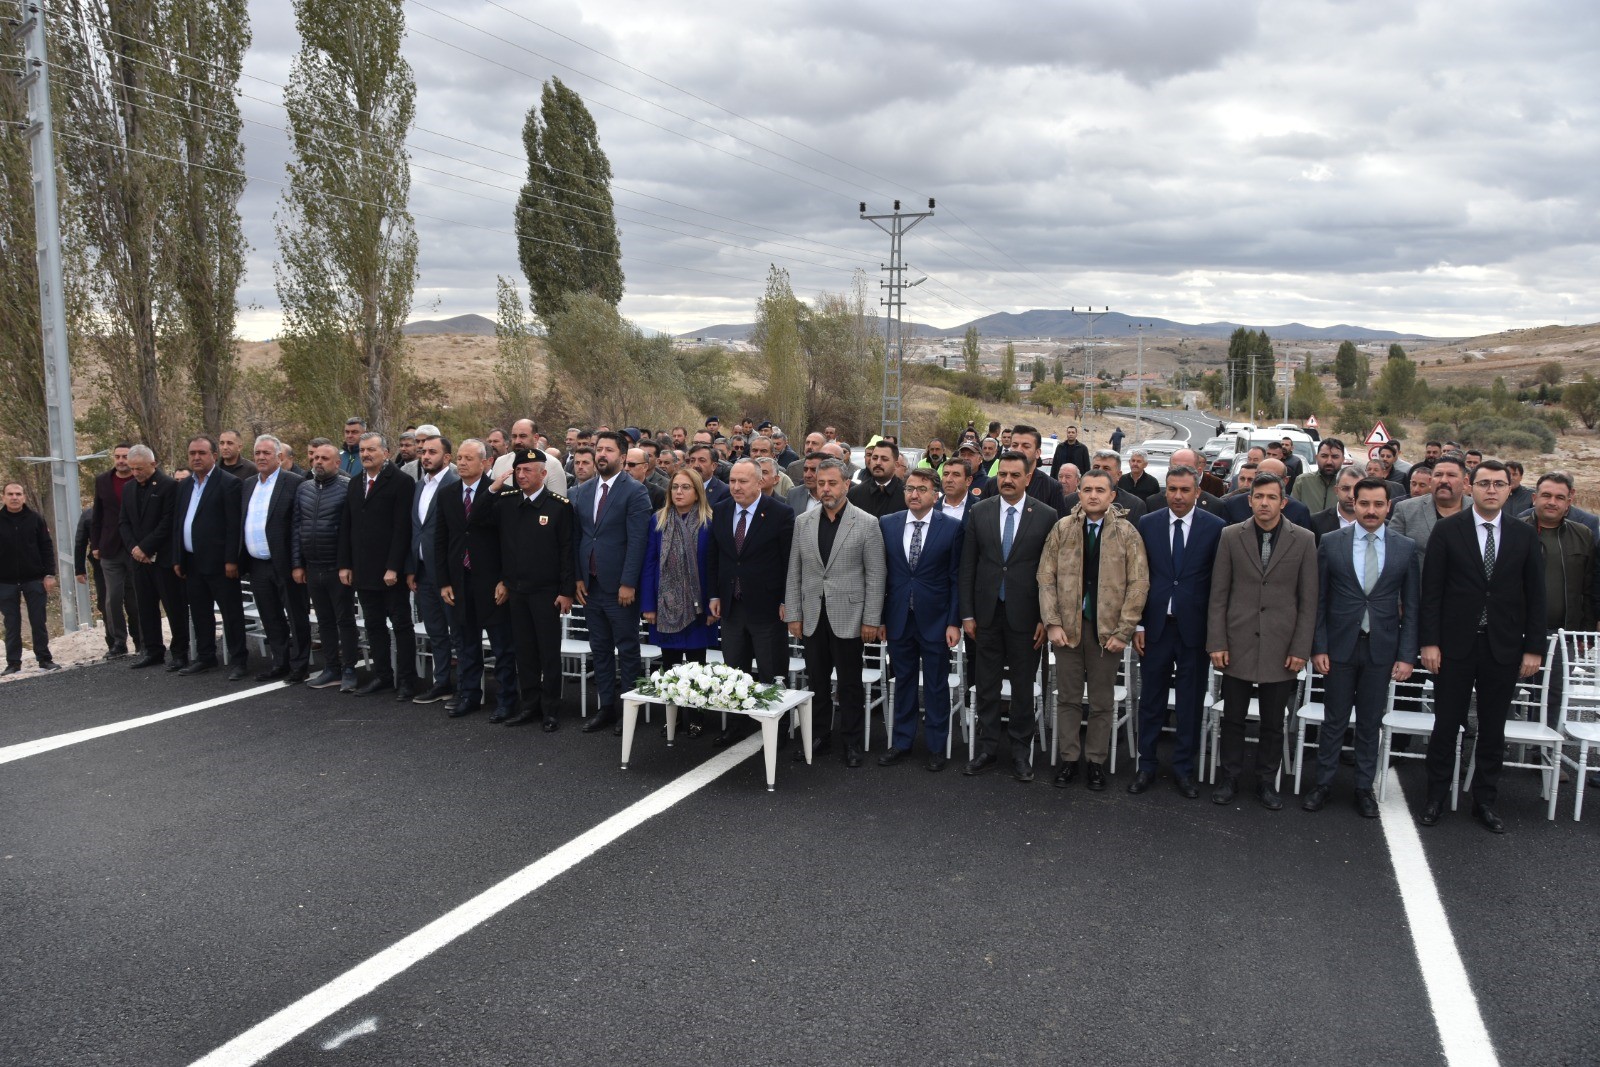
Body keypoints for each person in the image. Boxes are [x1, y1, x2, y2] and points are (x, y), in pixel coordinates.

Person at [1418, 459, 1546, 834]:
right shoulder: (1448, 530)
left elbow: (1535, 597)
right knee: (1445, 726)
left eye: (1500, 484)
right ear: (1470, 487)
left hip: (1503, 648)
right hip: (1454, 646)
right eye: (1485, 483)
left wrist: (1533, 647)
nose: (1492, 490)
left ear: (1511, 490)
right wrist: (1429, 642)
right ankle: (1436, 797)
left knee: (1493, 730)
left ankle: (1485, 801)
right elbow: (1432, 593)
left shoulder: (1524, 536)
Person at [1305, 478, 1420, 818]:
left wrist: (1406, 654)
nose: (1371, 511)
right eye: (1365, 503)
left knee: (1370, 723)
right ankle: (1323, 783)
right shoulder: (1330, 542)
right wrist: (1319, 646)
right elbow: (1319, 600)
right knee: (1334, 719)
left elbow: (1412, 606)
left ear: (1388, 507)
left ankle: (1362, 787)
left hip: (1382, 648)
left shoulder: (1404, 546)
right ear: (1353, 503)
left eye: (1378, 505)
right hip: (1339, 646)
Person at [1207, 472, 1318, 810]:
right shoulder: (1230, 536)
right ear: (1249, 499)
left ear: (1283, 502)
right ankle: (1229, 778)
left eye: (1272, 497)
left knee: (1273, 721)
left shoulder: (1304, 539)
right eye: (1259, 497)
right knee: (1233, 718)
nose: (1264, 503)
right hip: (1237, 642)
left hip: (1282, 647)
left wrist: (1301, 648)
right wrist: (1217, 642)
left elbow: (1308, 599)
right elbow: (1219, 595)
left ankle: (1267, 782)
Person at [1039, 468, 1148, 790]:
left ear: (1112, 496)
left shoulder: (1127, 534)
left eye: (1100, 490)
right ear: (1079, 494)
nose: (1093, 496)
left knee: (1101, 702)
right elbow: (1046, 578)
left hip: (1107, 632)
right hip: (1068, 629)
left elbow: (1139, 584)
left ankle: (1096, 762)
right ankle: (1069, 759)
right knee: (1069, 698)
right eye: (1087, 490)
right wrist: (1052, 623)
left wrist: (1124, 630)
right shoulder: (1062, 529)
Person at [959, 451, 1058, 782]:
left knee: (1021, 688)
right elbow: (968, 565)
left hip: (1027, 618)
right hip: (986, 615)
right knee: (985, 685)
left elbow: (1050, 572)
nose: (1008, 480)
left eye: (1015, 475)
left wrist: (1046, 617)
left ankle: (1020, 752)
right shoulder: (980, 511)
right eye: (1003, 474)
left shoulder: (1046, 515)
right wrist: (968, 614)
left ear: (1028, 478)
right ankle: (987, 748)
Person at [786, 457, 886, 767]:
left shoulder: (867, 523)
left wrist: (871, 619)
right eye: (820, 483)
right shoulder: (804, 521)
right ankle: (818, 736)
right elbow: (795, 571)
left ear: (846, 485)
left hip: (850, 617)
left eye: (832, 483)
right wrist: (794, 613)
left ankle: (852, 742)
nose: (825, 489)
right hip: (813, 614)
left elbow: (876, 575)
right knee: (816, 682)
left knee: (850, 684)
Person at [1130, 465, 1224, 797]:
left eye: (1185, 490)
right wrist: (1139, 623)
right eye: (1172, 489)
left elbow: (1218, 585)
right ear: (1165, 491)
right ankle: (1147, 766)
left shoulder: (1216, 528)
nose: (1178, 496)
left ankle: (1184, 769)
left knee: (1189, 704)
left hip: (1194, 633)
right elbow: (1139, 578)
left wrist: (1215, 635)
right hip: (1155, 629)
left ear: (1198, 492)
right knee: (1151, 701)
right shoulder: (1148, 524)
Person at [472, 447, 574, 729]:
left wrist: (566, 591)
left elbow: (567, 551)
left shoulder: (558, 506)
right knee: (524, 652)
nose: (521, 474)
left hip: (546, 592)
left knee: (548, 653)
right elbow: (475, 518)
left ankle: (551, 709)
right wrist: (492, 488)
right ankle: (529, 706)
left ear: (543, 473)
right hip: (516, 591)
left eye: (528, 470)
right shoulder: (506, 501)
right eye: (518, 470)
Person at [877, 468, 964, 771]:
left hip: (937, 621)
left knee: (937, 686)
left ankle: (937, 747)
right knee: (903, 682)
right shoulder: (887, 524)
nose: (914, 494)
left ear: (935, 495)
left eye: (922, 489)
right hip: (898, 618)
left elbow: (956, 579)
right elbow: (882, 575)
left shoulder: (952, 528)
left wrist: (954, 622)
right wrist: (880, 618)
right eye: (910, 488)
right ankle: (901, 742)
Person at [571, 430, 653, 735]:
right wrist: (578, 576)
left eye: (608, 450)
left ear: (622, 456)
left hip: (620, 588)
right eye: (598, 449)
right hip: (590, 586)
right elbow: (578, 537)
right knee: (600, 649)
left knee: (628, 650)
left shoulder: (635, 492)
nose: (601, 454)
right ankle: (606, 708)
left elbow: (638, 541)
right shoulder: (580, 491)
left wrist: (629, 582)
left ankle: (629, 710)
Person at [708, 460, 794, 745]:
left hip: (768, 608)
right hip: (732, 606)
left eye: (743, 482)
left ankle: (778, 730)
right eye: (732, 481)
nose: (736, 487)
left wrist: (785, 600)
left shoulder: (780, 513)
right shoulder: (720, 510)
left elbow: (788, 562)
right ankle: (736, 725)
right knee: (734, 671)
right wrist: (715, 594)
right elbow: (715, 557)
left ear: (760, 483)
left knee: (772, 672)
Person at [431, 439, 517, 720]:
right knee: (466, 644)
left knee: (502, 645)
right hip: (459, 580)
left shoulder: (501, 494)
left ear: (485, 463)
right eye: (460, 457)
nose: (463, 462)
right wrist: (444, 581)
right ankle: (468, 695)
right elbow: (441, 540)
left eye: (469, 458)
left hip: (491, 582)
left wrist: (506, 579)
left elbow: (509, 542)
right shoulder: (447, 494)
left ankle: (506, 700)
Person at [640, 467, 721, 736]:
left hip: (698, 608)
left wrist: (712, 601)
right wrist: (649, 606)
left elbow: (713, 566)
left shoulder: (710, 522)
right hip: (665, 606)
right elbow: (650, 563)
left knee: (697, 668)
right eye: (675, 487)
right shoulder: (658, 520)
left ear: (697, 492)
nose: (678, 492)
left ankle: (697, 718)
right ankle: (672, 718)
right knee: (671, 668)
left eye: (685, 487)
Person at [338, 431, 419, 699]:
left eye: (371, 450)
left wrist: (394, 566)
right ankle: (383, 676)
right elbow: (347, 526)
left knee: (401, 626)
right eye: (362, 451)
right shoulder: (354, 483)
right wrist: (345, 564)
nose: (365, 455)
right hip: (363, 569)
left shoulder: (401, 482)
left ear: (385, 453)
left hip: (389, 572)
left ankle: (407, 680)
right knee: (373, 625)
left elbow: (402, 528)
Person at [171, 434, 248, 680]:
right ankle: (206, 657)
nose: (196, 457)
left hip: (220, 563)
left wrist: (231, 560)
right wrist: (178, 558)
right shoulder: (184, 486)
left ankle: (239, 661)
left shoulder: (229, 483)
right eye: (192, 453)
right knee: (201, 612)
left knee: (231, 613)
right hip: (192, 562)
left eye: (201, 453)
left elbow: (233, 526)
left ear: (213, 456)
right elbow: (179, 523)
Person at [1520, 471, 1592, 728]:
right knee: (1506, 694)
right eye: (1546, 495)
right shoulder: (1514, 529)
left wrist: (1584, 631)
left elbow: (1589, 586)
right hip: (1516, 630)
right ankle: (1497, 749)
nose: (1552, 502)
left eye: (1559, 497)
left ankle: (1543, 758)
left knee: (1552, 698)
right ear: (1534, 497)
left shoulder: (1583, 534)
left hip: (1562, 635)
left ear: (1568, 502)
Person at [240, 434, 311, 683]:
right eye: (257, 453)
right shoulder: (249, 484)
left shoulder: (293, 482)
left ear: (279, 457)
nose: (260, 457)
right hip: (257, 565)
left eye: (266, 453)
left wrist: (298, 563)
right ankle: (279, 662)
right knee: (270, 616)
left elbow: (299, 526)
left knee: (296, 615)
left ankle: (300, 665)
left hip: (286, 564)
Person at [294, 439, 359, 691]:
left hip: (338, 567)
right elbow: (297, 526)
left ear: (337, 462)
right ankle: (331, 668)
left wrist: (347, 564)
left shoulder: (348, 487)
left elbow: (352, 530)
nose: (317, 462)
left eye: (323, 458)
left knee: (345, 620)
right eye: (314, 458)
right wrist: (298, 563)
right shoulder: (304, 489)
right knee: (324, 621)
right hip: (313, 566)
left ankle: (350, 669)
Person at [120, 446, 188, 671]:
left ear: (153, 464)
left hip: (163, 558)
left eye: (139, 468)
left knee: (173, 607)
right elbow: (124, 522)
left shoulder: (168, 486)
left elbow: (168, 522)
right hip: (139, 560)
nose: (136, 472)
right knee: (146, 607)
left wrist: (146, 547)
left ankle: (179, 653)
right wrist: (134, 549)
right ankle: (153, 650)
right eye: (132, 469)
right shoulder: (129, 488)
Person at [0, 482, 59, 673]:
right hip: (5, 581)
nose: (14, 497)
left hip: (34, 579)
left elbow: (47, 547)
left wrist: (49, 574)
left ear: (24, 497)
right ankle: (13, 663)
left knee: (38, 621)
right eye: (10, 494)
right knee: (12, 623)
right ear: (3, 497)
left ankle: (44, 659)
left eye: (18, 493)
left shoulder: (36, 519)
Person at [89, 443, 140, 659]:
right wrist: (96, 545)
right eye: (117, 456)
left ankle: (142, 640)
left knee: (136, 598)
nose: (121, 460)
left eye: (125, 456)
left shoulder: (140, 479)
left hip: (135, 548)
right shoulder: (103, 481)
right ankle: (119, 642)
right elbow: (97, 515)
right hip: (109, 548)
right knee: (112, 599)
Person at [1388, 454, 1468, 562]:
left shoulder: (1478, 510)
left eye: (1451, 475)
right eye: (1438, 475)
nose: (1443, 480)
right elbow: (1392, 553)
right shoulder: (1406, 509)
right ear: (1431, 481)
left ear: (1465, 482)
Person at [1061, 450, 1147, 522]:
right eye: (1096, 467)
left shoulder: (1135, 506)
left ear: (1118, 475)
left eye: (1106, 468)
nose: (1100, 472)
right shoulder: (1070, 501)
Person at [1010, 424, 1069, 514]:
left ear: (1037, 453)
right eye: (1015, 445)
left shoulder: (1052, 488)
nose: (1019, 450)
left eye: (1026, 446)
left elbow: (1060, 525)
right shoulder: (994, 485)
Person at [848, 439, 906, 518]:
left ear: (896, 465)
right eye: (875, 458)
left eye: (884, 459)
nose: (878, 462)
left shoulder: (906, 495)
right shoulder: (855, 494)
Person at [1308, 466, 1362, 543]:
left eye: (1357, 489)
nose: (1351, 495)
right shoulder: (1316, 522)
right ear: (1336, 490)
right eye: (1345, 488)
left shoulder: (1375, 522)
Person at [1291, 438, 1346, 514]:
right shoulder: (1303, 481)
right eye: (1324, 456)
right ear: (1316, 458)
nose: (1329, 462)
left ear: (1343, 459)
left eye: (1335, 457)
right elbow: (1293, 512)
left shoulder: (1349, 485)